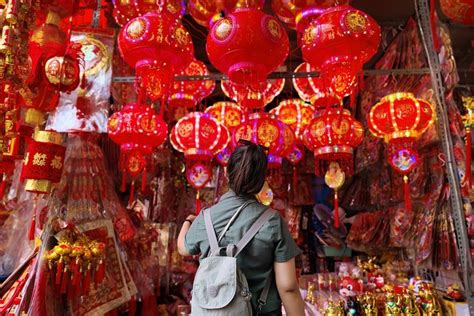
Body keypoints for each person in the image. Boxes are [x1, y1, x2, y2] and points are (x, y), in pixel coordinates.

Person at [177, 140, 305, 316]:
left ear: (227, 173)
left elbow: (183, 248)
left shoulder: (205, 218)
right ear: (261, 180)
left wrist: (189, 221)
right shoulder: (273, 221)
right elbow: (288, 287)